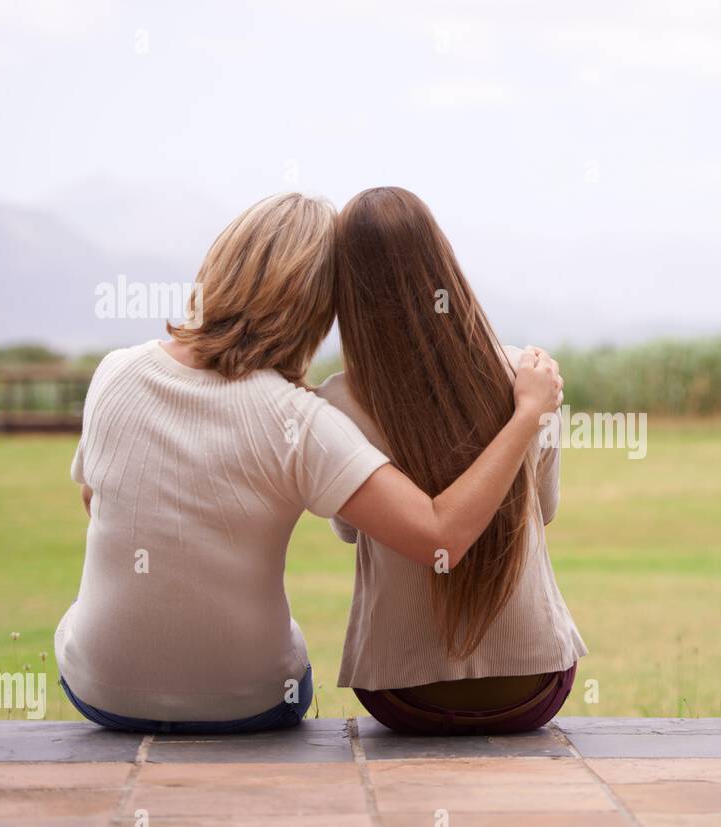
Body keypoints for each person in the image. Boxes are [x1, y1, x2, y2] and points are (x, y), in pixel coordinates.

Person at [56, 192, 562, 733]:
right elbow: (445, 535)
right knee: (284, 646)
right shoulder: (300, 418)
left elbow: (96, 500)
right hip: (250, 699)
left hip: (100, 689)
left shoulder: (115, 372)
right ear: (320, 308)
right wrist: (527, 414)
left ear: (218, 265)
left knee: (75, 623)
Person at [318, 186, 586, 735]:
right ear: (443, 262)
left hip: (401, 694)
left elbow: (350, 530)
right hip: (532, 689)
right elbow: (546, 508)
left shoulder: (337, 401)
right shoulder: (527, 377)